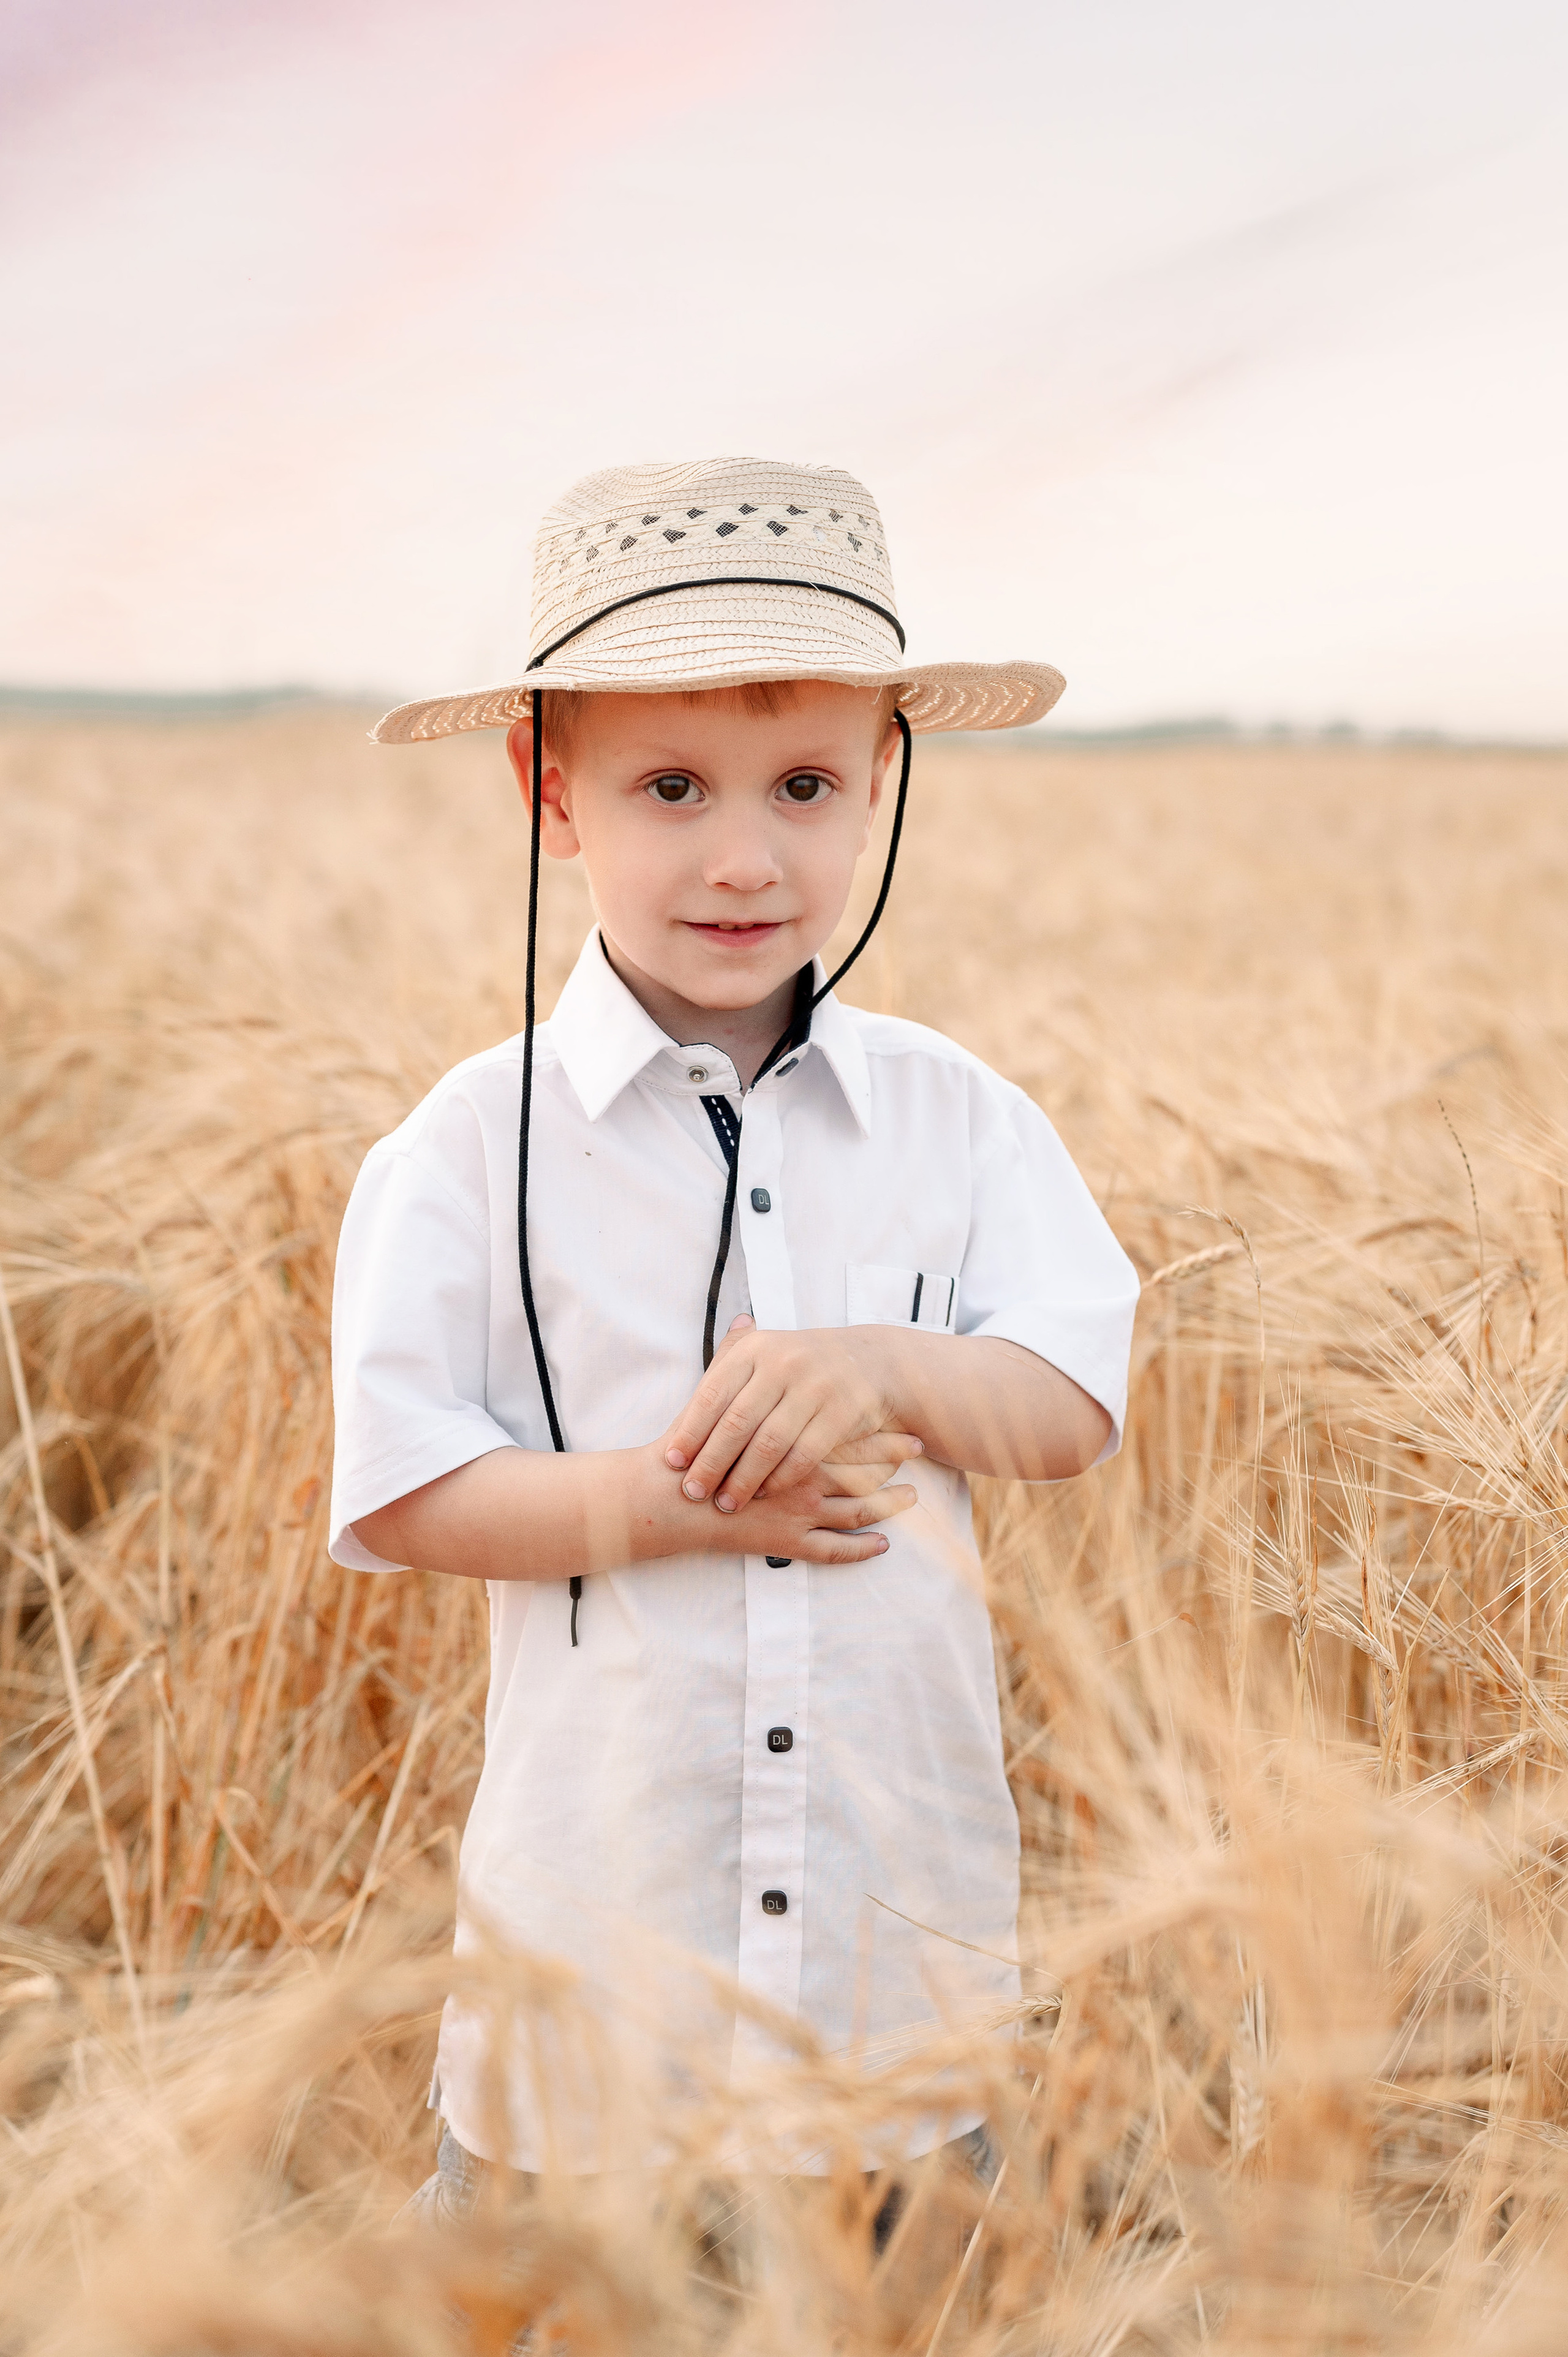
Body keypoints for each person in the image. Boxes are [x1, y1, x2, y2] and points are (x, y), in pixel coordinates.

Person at [328, 456, 1140, 2209]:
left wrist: (888, 1369)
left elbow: (1072, 1398)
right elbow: (403, 1491)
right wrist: (676, 1506)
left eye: (804, 786)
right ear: (554, 797)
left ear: (882, 785)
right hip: (590, 1966)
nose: (745, 855)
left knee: (909, 2313)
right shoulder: (470, 1145)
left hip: (892, 1962)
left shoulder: (961, 1118)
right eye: (673, 786)